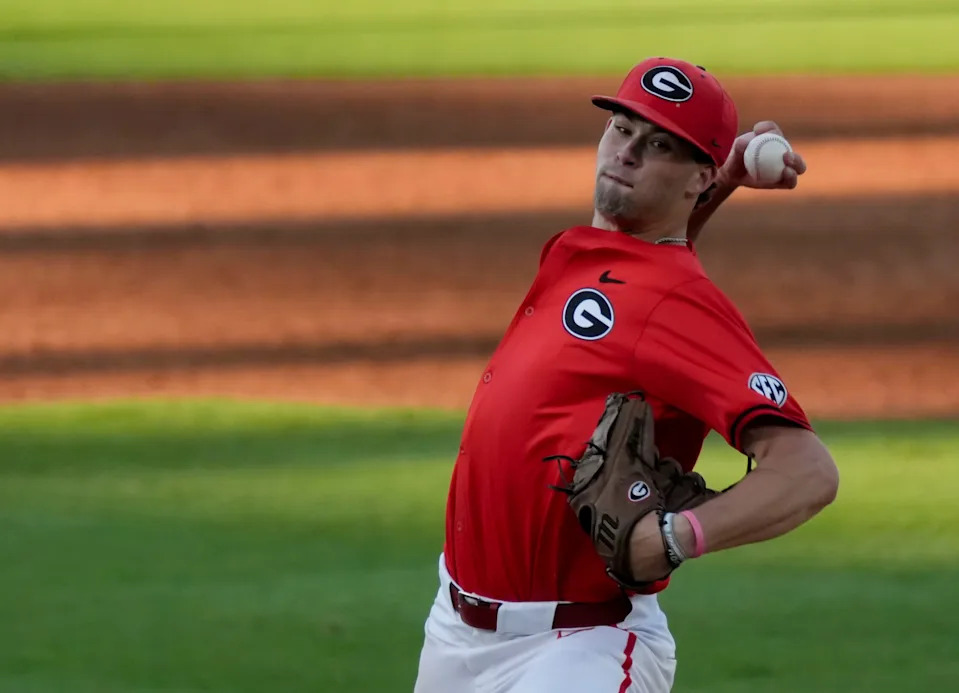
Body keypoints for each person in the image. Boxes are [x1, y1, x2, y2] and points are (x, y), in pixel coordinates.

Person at [412, 57, 840, 693]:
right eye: (623, 128)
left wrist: (676, 536)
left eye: (660, 143)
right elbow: (647, 269)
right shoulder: (585, 253)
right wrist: (716, 182)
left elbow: (807, 470)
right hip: (455, 633)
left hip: (575, 650)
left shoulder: (680, 306)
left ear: (695, 173)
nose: (629, 152)